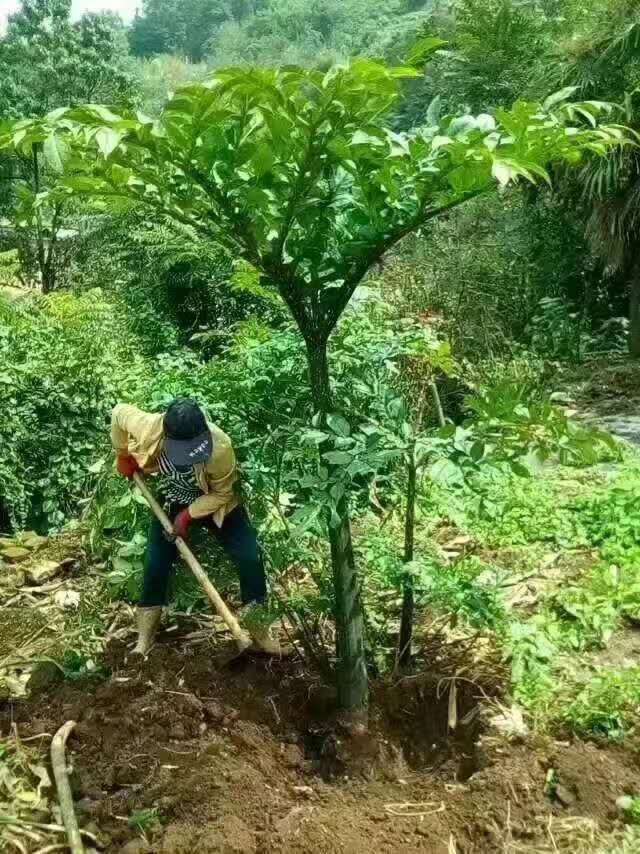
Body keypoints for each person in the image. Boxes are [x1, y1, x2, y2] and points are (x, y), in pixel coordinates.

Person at [111, 397, 282, 657]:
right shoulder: (148, 427)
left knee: (250, 557)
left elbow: (222, 494)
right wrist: (123, 453)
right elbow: (118, 413)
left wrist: (187, 517)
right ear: (166, 436)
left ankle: (261, 634)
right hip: (173, 500)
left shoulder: (220, 447)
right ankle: (144, 641)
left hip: (216, 504)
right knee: (156, 563)